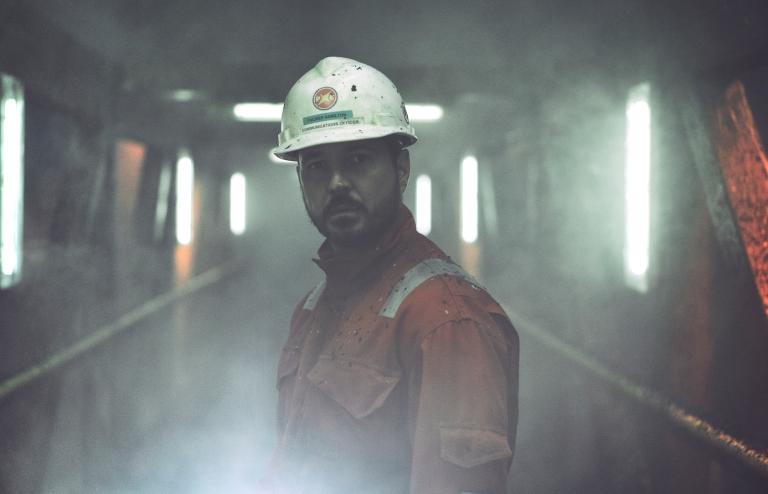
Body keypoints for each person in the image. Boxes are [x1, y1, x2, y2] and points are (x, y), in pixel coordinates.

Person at [264, 56, 519, 494]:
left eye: (358, 159)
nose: (337, 183)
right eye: (317, 166)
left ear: (401, 170)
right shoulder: (312, 309)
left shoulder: (446, 320)